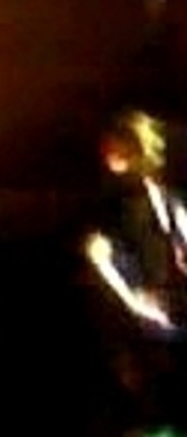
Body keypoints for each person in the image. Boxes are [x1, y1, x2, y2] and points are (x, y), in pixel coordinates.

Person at [82, 108, 187, 433]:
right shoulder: (112, 205)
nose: (109, 156)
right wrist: (134, 303)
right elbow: (99, 257)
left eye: (118, 148)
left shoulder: (164, 197)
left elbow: (179, 242)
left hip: (167, 320)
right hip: (142, 328)